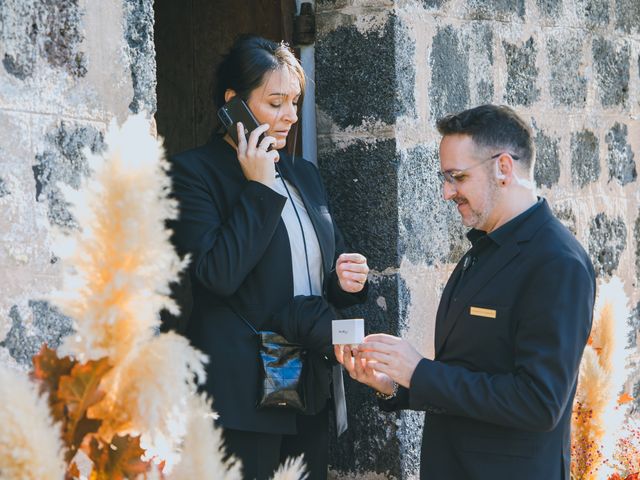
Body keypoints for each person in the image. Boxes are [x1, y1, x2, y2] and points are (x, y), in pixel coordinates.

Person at [336, 104, 595, 479]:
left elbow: (539, 403)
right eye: (445, 178)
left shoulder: (557, 262)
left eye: (457, 177)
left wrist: (420, 371)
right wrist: (396, 385)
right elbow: (471, 373)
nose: (446, 192)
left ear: (503, 168)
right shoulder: (483, 251)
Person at [169, 35, 369, 480]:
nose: (290, 117)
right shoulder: (193, 173)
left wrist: (343, 279)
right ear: (233, 103)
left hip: (309, 385)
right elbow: (217, 275)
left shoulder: (302, 174)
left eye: (294, 102)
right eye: (276, 102)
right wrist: (258, 188)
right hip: (242, 395)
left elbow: (314, 268)